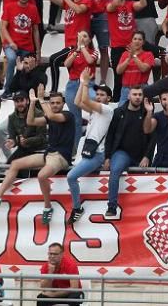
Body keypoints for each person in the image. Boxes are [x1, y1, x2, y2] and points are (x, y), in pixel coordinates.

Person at [0, 88, 75, 223]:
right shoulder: (48, 117)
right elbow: (30, 121)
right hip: (49, 154)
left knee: (42, 175)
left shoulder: (67, 115)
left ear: (63, 104)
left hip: (61, 156)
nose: (54, 105)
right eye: (52, 103)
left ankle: (47, 207)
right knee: (15, 164)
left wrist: (42, 100)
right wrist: (32, 103)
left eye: (57, 103)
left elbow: (52, 117)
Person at [64, 70, 113, 223]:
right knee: (70, 175)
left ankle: (77, 207)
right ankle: (77, 205)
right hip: (88, 152)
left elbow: (85, 99)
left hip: (97, 154)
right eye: (97, 94)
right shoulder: (96, 110)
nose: (99, 97)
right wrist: (81, 82)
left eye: (102, 95)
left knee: (71, 176)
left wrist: (85, 82)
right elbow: (78, 102)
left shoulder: (107, 110)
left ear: (109, 98)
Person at [103, 85, 152, 219]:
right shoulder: (118, 112)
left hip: (141, 155)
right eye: (134, 94)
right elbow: (111, 136)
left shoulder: (147, 112)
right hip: (122, 152)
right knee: (115, 170)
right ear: (129, 96)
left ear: (143, 97)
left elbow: (152, 138)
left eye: (140, 95)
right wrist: (107, 157)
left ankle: (142, 211)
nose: (137, 97)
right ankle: (112, 206)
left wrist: (147, 156)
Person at [0, 90, 46, 162]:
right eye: (17, 101)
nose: (19, 104)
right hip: (23, 150)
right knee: (9, 165)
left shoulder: (38, 114)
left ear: (27, 101)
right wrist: (12, 142)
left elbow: (42, 138)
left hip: (39, 149)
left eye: (21, 100)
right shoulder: (12, 117)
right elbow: (12, 137)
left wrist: (26, 141)